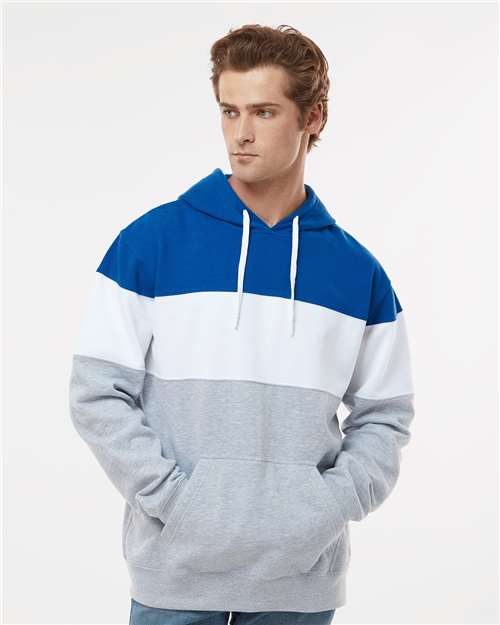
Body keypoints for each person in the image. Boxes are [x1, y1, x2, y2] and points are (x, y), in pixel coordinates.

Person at [69, 23, 415, 625]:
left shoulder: (357, 273)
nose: (241, 133)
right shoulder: (150, 244)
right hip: (176, 575)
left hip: (300, 586)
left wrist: (325, 506)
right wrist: (176, 500)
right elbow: (97, 394)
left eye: (263, 111)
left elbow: (385, 416)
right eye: (229, 111)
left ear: (313, 118)